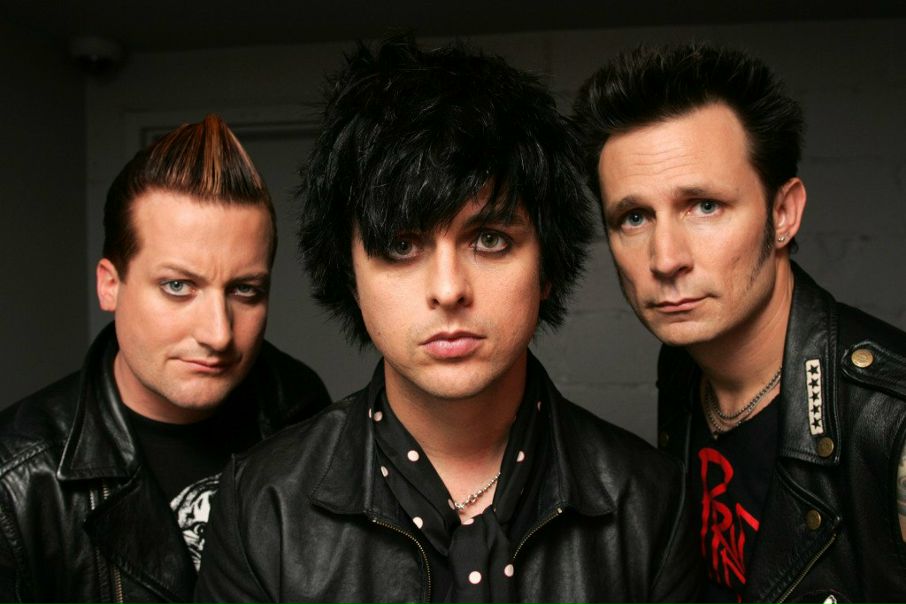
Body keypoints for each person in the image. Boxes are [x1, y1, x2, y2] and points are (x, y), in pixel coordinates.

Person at [194, 37, 699, 604]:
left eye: (490, 240)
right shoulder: (263, 504)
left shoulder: (649, 501)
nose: (448, 289)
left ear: (547, 267)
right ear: (350, 278)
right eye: (401, 246)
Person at [573, 43, 906, 603]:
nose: (665, 258)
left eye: (704, 206)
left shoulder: (889, 417)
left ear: (783, 213)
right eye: (633, 217)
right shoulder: (683, 370)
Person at [0, 114, 331, 603]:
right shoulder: (17, 483)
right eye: (178, 286)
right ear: (110, 285)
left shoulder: (300, 407)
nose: (218, 334)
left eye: (244, 290)